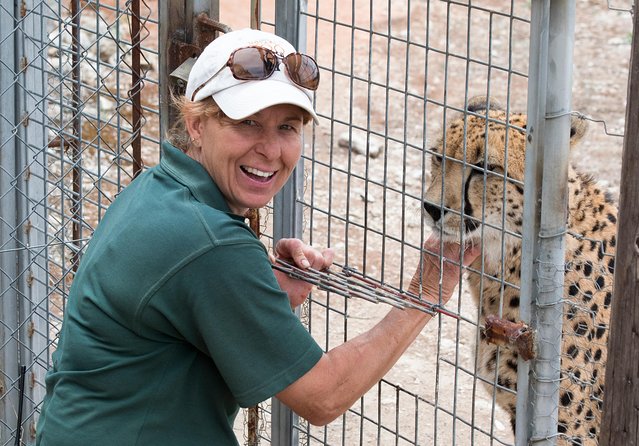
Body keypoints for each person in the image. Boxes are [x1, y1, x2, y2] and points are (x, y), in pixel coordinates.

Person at [36, 28, 480, 445]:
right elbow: (324, 397)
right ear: (196, 124)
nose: (270, 149)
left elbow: (189, 309)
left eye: (287, 126)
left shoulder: (159, 188)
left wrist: (265, 292)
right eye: (247, 122)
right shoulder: (212, 244)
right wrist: (427, 291)